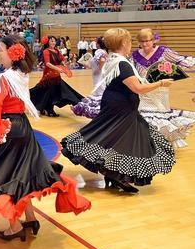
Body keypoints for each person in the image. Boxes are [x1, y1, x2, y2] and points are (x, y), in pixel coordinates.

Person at [0, 35, 91, 242]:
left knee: (1, 177)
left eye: (1, 49)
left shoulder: (5, 77)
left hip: (9, 127)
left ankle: (14, 227)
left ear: (12, 53)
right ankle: (30, 219)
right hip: (23, 127)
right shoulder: (20, 72)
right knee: (23, 174)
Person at [61, 28, 175, 193]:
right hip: (121, 107)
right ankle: (116, 175)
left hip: (119, 105)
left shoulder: (113, 59)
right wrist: (161, 83)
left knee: (117, 138)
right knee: (124, 140)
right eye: (129, 42)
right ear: (124, 43)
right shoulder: (122, 63)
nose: (131, 45)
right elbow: (137, 88)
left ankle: (114, 174)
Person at [131, 28, 195, 148]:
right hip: (143, 92)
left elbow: (181, 60)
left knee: (161, 118)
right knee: (144, 118)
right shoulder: (135, 55)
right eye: (141, 42)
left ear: (153, 39)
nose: (144, 44)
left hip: (160, 91)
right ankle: (147, 145)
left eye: (147, 41)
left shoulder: (163, 52)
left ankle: (160, 145)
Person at [29, 35, 83, 117]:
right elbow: (47, 64)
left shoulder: (57, 51)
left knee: (51, 93)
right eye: (51, 41)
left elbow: (62, 59)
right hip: (49, 76)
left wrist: (65, 63)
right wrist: (57, 68)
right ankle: (47, 109)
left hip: (56, 76)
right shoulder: (46, 51)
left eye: (54, 41)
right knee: (46, 92)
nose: (53, 42)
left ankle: (47, 108)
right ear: (47, 42)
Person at [72, 38, 108, 119]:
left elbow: (102, 60)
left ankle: (82, 110)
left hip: (99, 76)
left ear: (98, 44)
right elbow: (95, 63)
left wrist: (99, 69)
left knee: (99, 95)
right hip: (101, 76)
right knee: (100, 94)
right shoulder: (105, 52)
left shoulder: (99, 51)